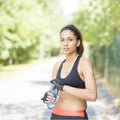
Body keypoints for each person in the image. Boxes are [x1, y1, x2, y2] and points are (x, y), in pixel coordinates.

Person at [41, 24, 97, 120]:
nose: (65, 43)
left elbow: (92, 95)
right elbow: (54, 94)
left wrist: (65, 87)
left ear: (78, 42)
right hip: (55, 115)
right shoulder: (57, 65)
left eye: (70, 39)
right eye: (62, 40)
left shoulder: (83, 63)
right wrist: (48, 97)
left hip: (75, 116)